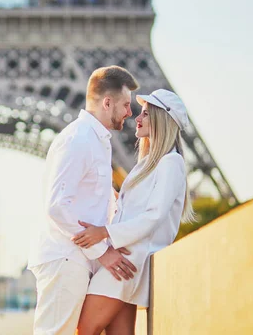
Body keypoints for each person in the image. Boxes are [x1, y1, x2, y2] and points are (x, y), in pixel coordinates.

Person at [72, 89, 196, 335]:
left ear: (163, 120)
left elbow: (154, 215)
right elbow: (135, 209)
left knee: (85, 328)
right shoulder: (148, 164)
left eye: (147, 114)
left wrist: (104, 232)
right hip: (126, 260)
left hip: (128, 261)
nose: (137, 118)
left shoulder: (171, 162)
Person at [28, 66, 139, 335]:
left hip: (75, 259)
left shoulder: (96, 140)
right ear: (107, 102)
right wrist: (104, 252)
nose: (130, 112)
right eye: (126, 104)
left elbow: (91, 202)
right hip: (65, 258)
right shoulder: (79, 138)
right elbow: (57, 206)